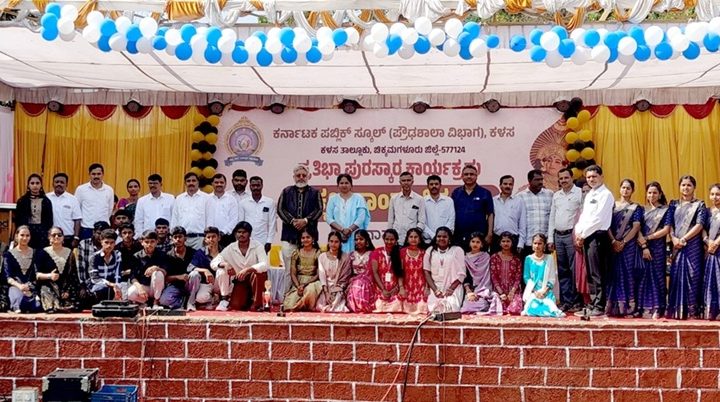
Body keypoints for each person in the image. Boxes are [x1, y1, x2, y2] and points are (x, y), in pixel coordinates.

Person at [574, 165, 614, 317]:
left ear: (601, 177)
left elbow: (598, 219)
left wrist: (582, 234)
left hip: (598, 236)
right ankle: (592, 303)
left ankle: (599, 305)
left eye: (594, 176)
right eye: (589, 177)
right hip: (586, 236)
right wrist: (578, 233)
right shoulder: (590, 194)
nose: (591, 179)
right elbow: (584, 216)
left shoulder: (606, 195)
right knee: (590, 272)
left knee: (598, 272)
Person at [277, 165, 324, 293]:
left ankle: (308, 296)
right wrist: (292, 221)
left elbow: (319, 210)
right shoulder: (286, 191)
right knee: (289, 270)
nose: (301, 178)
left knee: (310, 270)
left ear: (308, 177)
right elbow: (280, 209)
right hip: (289, 237)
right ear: (294, 177)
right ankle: (287, 296)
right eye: (298, 175)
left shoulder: (315, 193)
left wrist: (306, 220)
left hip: (308, 239)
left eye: (304, 175)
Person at [667, 175, 707, 320]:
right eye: (683, 185)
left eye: (689, 185)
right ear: (679, 187)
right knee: (676, 275)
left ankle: (692, 311)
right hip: (676, 245)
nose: (686, 188)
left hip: (692, 246)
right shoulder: (673, 204)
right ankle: (676, 311)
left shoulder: (700, 205)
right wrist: (673, 238)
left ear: (694, 187)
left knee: (693, 275)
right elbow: (669, 224)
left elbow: (700, 224)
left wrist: (684, 239)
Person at [604, 179, 644, 317]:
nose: (625, 190)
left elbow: (636, 226)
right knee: (613, 274)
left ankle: (628, 307)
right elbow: (606, 224)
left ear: (633, 191)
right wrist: (613, 241)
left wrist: (623, 242)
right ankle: (612, 307)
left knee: (628, 274)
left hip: (629, 246)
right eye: (623, 187)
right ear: (619, 189)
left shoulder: (636, 208)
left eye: (628, 188)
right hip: (612, 244)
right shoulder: (612, 206)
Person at [210, 221, 268, 311]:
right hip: (240, 281)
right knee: (236, 305)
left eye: (244, 232)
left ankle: (258, 304)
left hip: (254, 279)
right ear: (235, 234)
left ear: (249, 234)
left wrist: (248, 270)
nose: (241, 234)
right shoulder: (231, 247)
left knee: (258, 274)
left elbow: (265, 264)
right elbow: (214, 262)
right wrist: (225, 264)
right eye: (239, 232)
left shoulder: (257, 246)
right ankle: (242, 300)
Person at [547, 167, 584, 311]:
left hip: (572, 236)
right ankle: (566, 301)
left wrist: (580, 236)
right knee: (562, 270)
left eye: (566, 178)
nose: (563, 181)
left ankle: (577, 301)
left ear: (572, 178)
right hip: (558, 236)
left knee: (574, 269)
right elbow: (552, 217)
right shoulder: (556, 195)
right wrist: (550, 239)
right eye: (561, 178)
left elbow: (583, 215)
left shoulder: (579, 193)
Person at [636, 182, 672, 319]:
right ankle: (642, 308)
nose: (652, 195)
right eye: (649, 192)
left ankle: (658, 308)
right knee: (642, 277)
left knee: (657, 277)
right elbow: (637, 228)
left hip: (658, 248)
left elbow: (666, 229)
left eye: (655, 192)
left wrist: (647, 238)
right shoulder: (642, 209)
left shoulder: (666, 210)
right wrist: (643, 244)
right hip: (642, 247)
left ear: (660, 194)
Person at [38, 227, 81, 312]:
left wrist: (67, 291)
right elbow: (37, 275)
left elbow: (73, 274)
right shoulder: (42, 253)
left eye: (59, 235)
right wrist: (49, 276)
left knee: (75, 302)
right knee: (46, 291)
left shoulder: (69, 252)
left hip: (66, 287)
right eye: (53, 235)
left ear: (63, 237)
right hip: (49, 285)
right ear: (49, 237)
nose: (57, 237)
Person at [522, 233, 564, 317]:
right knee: (531, 308)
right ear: (532, 245)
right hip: (533, 291)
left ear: (544, 245)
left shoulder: (549, 258)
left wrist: (544, 291)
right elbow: (526, 277)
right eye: (535, 243)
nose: (537, 246)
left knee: (549, 308)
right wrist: (535, 292)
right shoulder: (528, 259)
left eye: (540, 243)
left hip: (546, 291)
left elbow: (552, 278)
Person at [424, 227, 466, 313]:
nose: (441, 239)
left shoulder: (457, 250)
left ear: (449, 238)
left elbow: (462, 274)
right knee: (434, 310)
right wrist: (435, 290)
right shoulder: (430, 251)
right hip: (435, 287)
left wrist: (451, 289)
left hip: (453, 287)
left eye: (444, 236)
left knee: (450, 309)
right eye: (439, 236)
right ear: (436, 238)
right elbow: (426, 272)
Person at [451, 164, 493, 248]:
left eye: (472, 174)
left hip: (479, 236)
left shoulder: (485, 193)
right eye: (466, 174)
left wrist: (489, 233)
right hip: (459, 236)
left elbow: (490, 214)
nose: (469, 176)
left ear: (476, 176)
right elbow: (451, 214)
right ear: (462, 176)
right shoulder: (456, 193)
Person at [3, 226, 44, 313]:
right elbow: (8, 276)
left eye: (27, 235)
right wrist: (20, 286)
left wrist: (28, 287)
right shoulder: (8, 254)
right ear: (16, 236)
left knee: (37, 306)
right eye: (22, 235)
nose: (25, 238)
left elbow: (37, 273)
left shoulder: (35, 253)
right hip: (15, 286)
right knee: (18, 302)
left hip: (31, 287)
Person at [326, 174, 370, 254]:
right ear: (337, 185)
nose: (344, 185)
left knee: (355, 258)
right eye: (341, 183)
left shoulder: (358, 198)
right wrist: (342, 230)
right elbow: (329, 218)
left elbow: (361, 217)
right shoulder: (333, 199)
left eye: (346, 183)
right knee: (338, 258)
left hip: (355, 235)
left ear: (351, 185)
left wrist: (349, 230)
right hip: (338, 235)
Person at [461, 232, 502, 315]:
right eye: (473, 241)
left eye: (478, 242)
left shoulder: (486, 257)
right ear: (469, 243)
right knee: (466, 307)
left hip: (484, 289)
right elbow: (465, 276)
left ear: (482, 244)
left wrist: (480, 292)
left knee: (482, 304)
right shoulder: (465, 258)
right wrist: (469, 292)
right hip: (471, 289)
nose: (475, 244)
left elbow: (488, 276)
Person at [282, 228, 322, 312]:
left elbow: (318, 274)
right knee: (288, 305)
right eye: (303, 238)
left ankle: (306, 305)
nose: (305, 240)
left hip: (312, 282)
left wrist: (305, 285)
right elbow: (293, 273)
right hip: (298, 283)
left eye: (308, 237)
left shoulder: (318, 253)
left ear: (313, 239)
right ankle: (302, 305)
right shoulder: (296, 253)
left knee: (310, 291)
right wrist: (298, 286)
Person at [516, 169, 553, 256]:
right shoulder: (520, 197)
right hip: (528, 242)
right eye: (537, 180)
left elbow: (552, 218)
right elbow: (518, 220)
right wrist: (520, 242)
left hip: (545, 242)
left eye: (541, 179)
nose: (540, 182)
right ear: (529, 181)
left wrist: (550, 239)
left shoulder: (550, 194)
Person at [127, 230, 168, 308]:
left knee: (158, 273)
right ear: (142, 242)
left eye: (152, 242)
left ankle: (156, 302)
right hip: (144, 286)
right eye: (146, 242)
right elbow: (132, 276)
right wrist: (140, 288)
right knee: (130, 293)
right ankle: (145, 303)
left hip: (157, 288)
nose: (149, 244)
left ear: (156, 242)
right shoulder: (136, 256)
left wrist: (156, 268)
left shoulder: (162, 254)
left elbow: (165, 272)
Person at [186, 226, 222, 311]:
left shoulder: (225, 251)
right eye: (208, 237)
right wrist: (205, 271)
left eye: (213, 237)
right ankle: (212, 299)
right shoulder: (200, 252)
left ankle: (223, 299)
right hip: (207, 283)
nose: (211, 239)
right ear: (205, 239)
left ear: (219, 238)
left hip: (221, 283)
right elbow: (190, 268)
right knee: (201, 298)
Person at [75, 163, 115, 240]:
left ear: (103, 174)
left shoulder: (109, 190)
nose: (96, 176)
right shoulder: (81, 189)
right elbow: (77, 209)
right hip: (86, 228)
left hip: (104, 229)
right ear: (89, 174)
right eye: (93, 174)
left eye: (99, 174)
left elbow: (110, 209)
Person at [238, 176, 277, 254]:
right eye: (253, 185)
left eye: (258, 185)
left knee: (262, 261)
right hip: (247, 240)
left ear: (262, 186)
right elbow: (241, 223)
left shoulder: (270, 202)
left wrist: (269, 241)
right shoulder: (243, 203)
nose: (255, 187)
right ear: (250, 186)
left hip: (264, 241)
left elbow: (272, 223)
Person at [158, 227, 194, 309]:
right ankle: (183, 302)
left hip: (191, 284)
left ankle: (192, 301)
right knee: (164, 300)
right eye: (175, 237)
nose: (178, 239)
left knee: (195, 275)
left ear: (185, 238)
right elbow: (165, 278)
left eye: (180, 237)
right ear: (171, 239)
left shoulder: (193, 252)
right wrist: (178, 277)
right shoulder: (167, 255)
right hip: (175, 285)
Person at [76, 221, 111, 307]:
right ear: (93, 232)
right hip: (88, 282)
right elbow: (81, 268)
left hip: (106, 281)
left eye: (104, 234)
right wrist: (83, 287)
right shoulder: (84, 244)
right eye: (99, 233)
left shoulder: (111, 245)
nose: (101, 237)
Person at [14, 174, 54, 249]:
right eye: (32, 183)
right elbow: (18, 220)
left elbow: (49, 221)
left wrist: (46, 233)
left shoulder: (46, 201)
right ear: (28, 185)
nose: (35, 186)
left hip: (42, 234)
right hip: (26, 233)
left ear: (41, 185)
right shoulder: (22, 201)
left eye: (37, 183)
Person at [172, 172, 209, 250]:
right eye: (188, 181)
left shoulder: (206, 198)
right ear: (185, 183)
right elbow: (175, 218)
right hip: (182, 239)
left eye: (193, 181)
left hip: (200, 239)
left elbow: (210, 218)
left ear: (198, 182)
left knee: (199, 258)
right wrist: (173, 236)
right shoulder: (179, 198)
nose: (191, 183)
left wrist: (207, 237)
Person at [489, 232, 524, 315]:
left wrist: (512, 293)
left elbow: (518, 277)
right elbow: (493, 276)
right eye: (503, 241)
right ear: (500, 243)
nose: (505, 243)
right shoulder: (494, 257)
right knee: (498, 309)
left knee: (515, 310)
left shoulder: (516, 259)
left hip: (513, 291)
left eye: (508, 241)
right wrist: (501, 293)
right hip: (498, 290)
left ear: (512, 243)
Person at [317, 231, 351, 312]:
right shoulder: (322, 257)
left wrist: (335, 289)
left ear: (340, 243)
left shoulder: (345, 257)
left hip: (339, 287)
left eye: (336, 242)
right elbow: (322, 276)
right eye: (331, 241)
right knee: (320, 305)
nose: (333, 244)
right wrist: (326, 292)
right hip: (325, 287)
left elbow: (345, 278)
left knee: (336, 303)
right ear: (328, 242)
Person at [371, 229, 404, 313]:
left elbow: (401, 273)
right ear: (383, 239)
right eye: (387, 239)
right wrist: (383, 289)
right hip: (380, 287)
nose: (389, 242)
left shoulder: (400, 253)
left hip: (395, 288)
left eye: (392, 239)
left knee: (396, 307)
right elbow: (375, 272)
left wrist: (397, 288)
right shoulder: (376, 252)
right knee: (379, 306)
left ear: (396, 240)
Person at [491, 175, 526, 254]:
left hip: (514, 240)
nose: (508, 186)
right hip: (496, 239)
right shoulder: (493, 201)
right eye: (505, 184)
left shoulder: (519, 201)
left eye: (510, 184)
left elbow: (522, 224)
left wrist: (521, 243)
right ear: (500, 185)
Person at [46, 172, 81, 249]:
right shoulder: (46, 198)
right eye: (57, 182)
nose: (59, 184)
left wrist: (76, 237)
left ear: (66, 184)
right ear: (52, 184)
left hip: (67, 238)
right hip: (51, 237)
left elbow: (77, 220)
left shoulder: (73, 199)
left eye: (62, 182)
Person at [387, 172, 425, 241]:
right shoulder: (394, 199)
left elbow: (421, 221)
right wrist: (390, 236)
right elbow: (390, 221)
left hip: (412, 240)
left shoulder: (419, 199)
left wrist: (415, 234)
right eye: (403, 181)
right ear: (400, 182)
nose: (406, 183)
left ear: (412, 182)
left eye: (408, 180)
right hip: (397, 239)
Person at [346, 230, 377, 313]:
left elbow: (374, 271)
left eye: (361, 239)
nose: (358, 241)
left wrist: (361, 279)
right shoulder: (351, 255)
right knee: (356, 284)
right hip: (354, 280)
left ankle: (363, 306)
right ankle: (356, 306)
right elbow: (348, 272)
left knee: (360, 283)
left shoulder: (372, 254)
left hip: (368, 280)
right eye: (356, 239)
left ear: (367, 241)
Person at [206, 173, 240, 247]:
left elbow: (234, 219)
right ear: (212, 184)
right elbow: (204, 217)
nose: (219, 184)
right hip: (210, 237)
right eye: (216, 182)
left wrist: (223, 232)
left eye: (221, 182)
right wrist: (210, 232)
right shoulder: (207, 199)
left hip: (226, 237)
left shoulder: (231, 199)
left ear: (225, 184)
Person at [89, 229, 123, 302]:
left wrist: (117, 286)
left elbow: (117, 275)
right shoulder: (94, 257)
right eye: (106, 242)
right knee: (103, 288)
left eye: (112, 243)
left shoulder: (117, 255)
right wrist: (111, 284)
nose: (109, 245)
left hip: (112, 285)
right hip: (97, 286)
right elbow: (94, 278)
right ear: (101, 242)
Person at [400, 228, 428, 314]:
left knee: (422, 310)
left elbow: (427, 272)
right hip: (406, 287)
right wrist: (401, 288)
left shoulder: (424, 253)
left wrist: (427, 288)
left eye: (416, 237)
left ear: (420, 239)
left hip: (421, 287)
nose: (413, 239)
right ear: (407, 239)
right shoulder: (402, 252)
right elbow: (400, 272)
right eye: (411, 237)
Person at [704, 183, 720, 320]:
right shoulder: (707, 212)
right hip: (709, 250)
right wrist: (708, 241)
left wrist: (716, 242)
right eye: (712, 194)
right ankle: (711, 310)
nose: (715, 197)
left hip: (718, 248)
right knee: (711, 279)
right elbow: (702, 228)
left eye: (718, 194)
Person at [424, 175, 455, 243]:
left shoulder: (449, 201)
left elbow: (451, 220)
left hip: (445, 240)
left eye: (436, 184)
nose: (434, 186)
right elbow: (422, 222)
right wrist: (433, 236)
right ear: (427, 186)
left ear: (440, 185)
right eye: (431, 184)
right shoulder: (423, 201)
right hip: (428, 240)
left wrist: (441, 236)